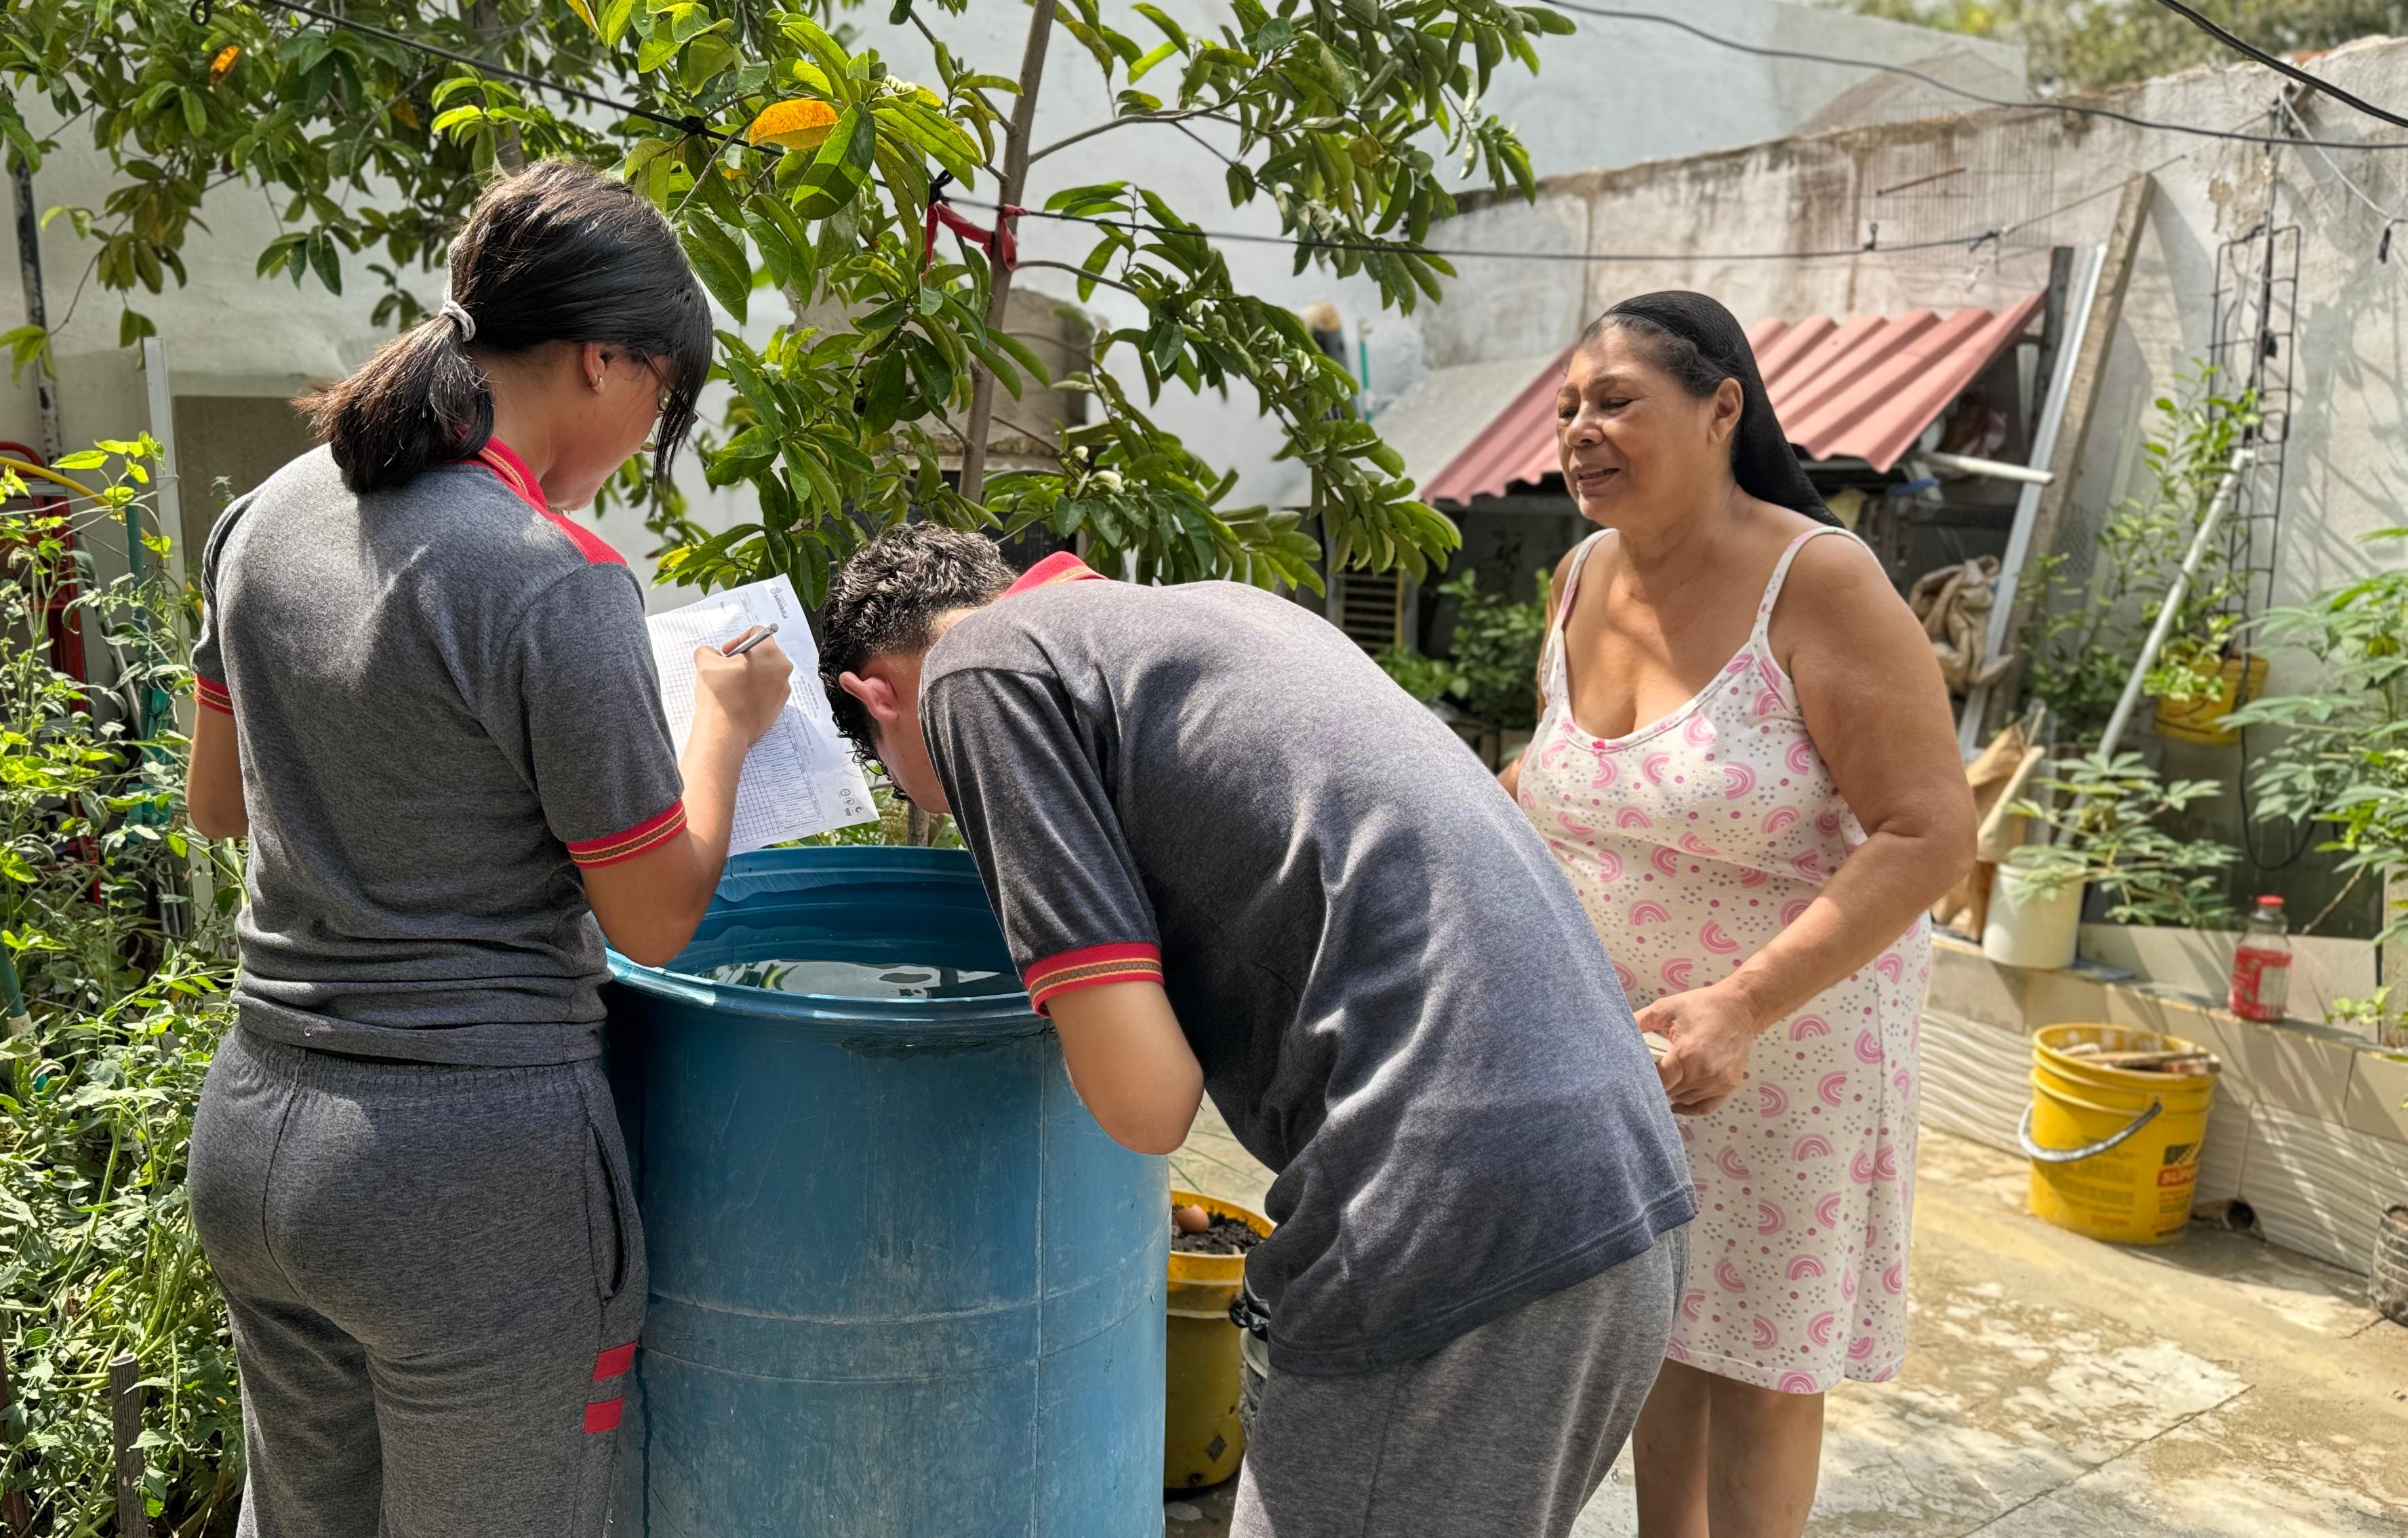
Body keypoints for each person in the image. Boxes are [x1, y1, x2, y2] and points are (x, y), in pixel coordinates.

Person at [819, 525, 1696, 1538]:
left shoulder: (974, 672)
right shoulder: (1227, 616)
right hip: (1622, 1191)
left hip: (1449, 1226)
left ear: (874, 697)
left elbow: (1146, 1104)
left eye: (894, 775)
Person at [180, 163, 794, 1538]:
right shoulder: (552, 577)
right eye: (663, 399)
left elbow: (217, 807)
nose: (648, 432)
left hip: (258, 1135)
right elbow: (649, 917)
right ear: (604, 359)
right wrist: (727, 731)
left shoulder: (262, 520)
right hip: (469, 1181)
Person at [1502, 292, 1975, 1538]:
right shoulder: (1577, 577)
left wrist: (1744, 1004)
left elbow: (1932, 832)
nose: (1580, 431)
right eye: (1566, 409)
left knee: (1760, 1365)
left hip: (1793, 1040)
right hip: (1628, 1047)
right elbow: (1552, 784)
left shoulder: (1818, 581)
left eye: (1614, 401)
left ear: (1723, 410)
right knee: (1661, 1328)